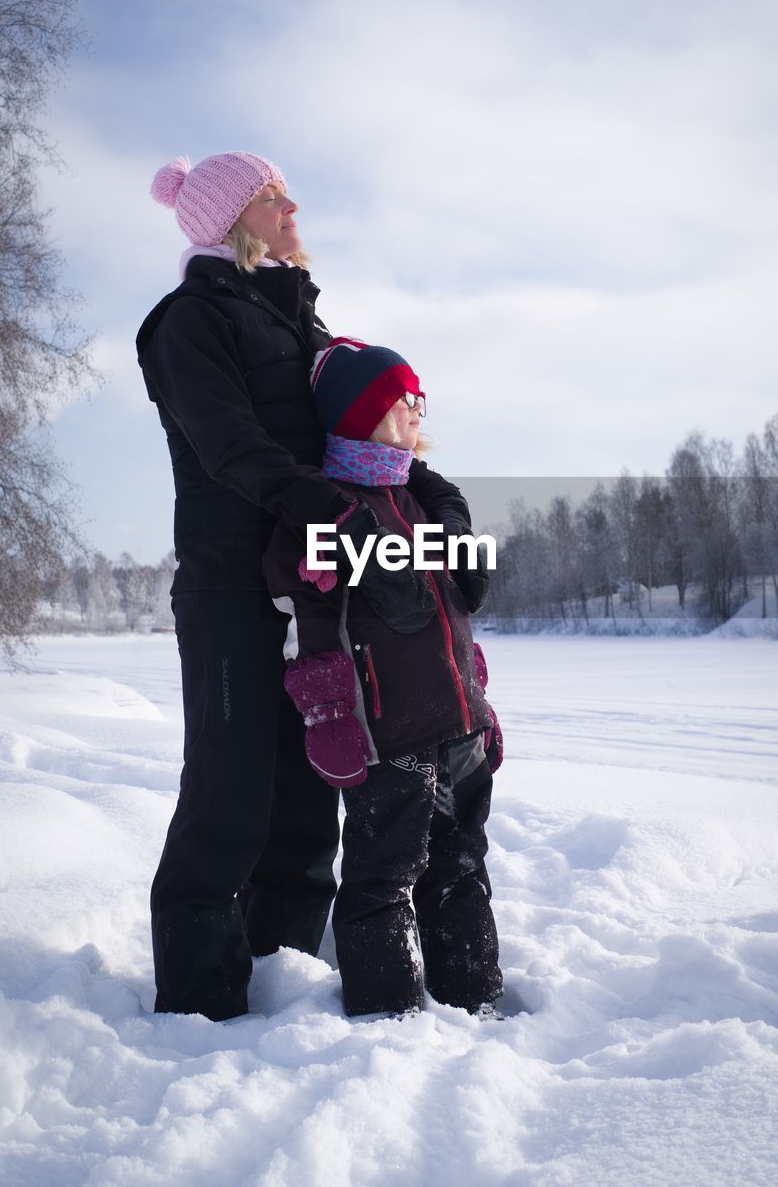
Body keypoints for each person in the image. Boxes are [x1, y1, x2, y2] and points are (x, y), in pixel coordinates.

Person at [136, 151, 474, 1021]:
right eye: (270, 197)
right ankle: (200, 1002)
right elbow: (231, 446)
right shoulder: (187, 322)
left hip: (321, 588)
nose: (293, 206)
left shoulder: (304, 325)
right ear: (230, 221)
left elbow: (367, 433)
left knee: (307, 795)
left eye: (285, 193)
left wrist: (431, 495)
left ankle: (280, 970)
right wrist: (327, 506)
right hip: (232, 588)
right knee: (229, 788)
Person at [264, 337, 504, 1017]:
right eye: (408, 401)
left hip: (457, 722)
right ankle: (387, 1014)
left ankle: (474, 996)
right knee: (383, 877)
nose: (420, 413)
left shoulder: (415, 495)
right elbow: (287, 588)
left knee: (461, 866)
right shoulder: (329, 504)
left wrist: (481, 704)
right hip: (385, 728)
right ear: (365, 412)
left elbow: (452, 616)